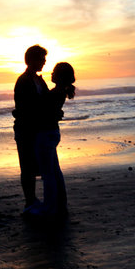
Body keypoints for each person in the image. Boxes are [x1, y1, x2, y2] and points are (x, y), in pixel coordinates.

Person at [32, 62, 76, 217]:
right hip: (52, 133)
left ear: (60, 76)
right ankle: (60, 205)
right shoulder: (59, 92)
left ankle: (50, 208)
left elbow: (42, 108)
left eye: (54, 72)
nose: (51, 74)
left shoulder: (55, 93)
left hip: (46, 133)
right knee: (55, 172)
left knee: (48, 174)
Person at [12, 45, 49, 213]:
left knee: (35, 165)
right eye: (41, 59)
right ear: (32, 60)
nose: (44, 62)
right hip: (26, 129)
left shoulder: (38, 79)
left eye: (44, 58)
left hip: (36, 129)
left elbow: (45, 101)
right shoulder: (24, 80)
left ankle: (33, 200)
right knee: (27, 166)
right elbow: (26, 107)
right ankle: (29, 201)